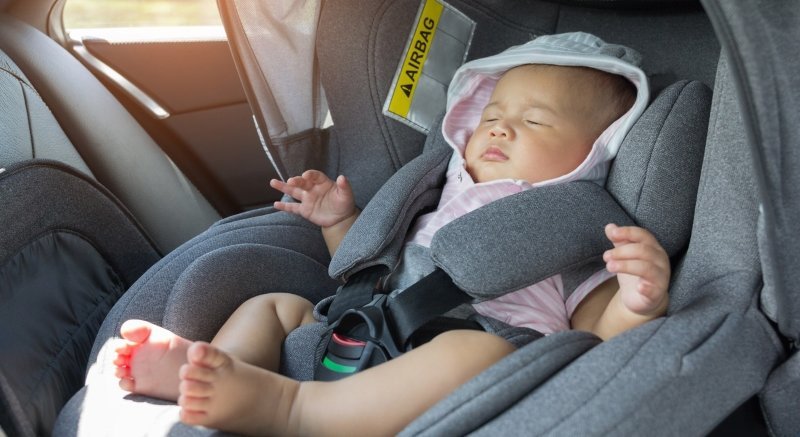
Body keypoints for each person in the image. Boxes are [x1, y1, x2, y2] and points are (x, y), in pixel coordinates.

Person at [113, 33, 669, 436]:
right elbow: (375, 271)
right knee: (275, 305)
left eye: (536, 121)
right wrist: (339, 224)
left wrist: (637, 302)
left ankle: (290, 410)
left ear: (593, 154)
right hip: (358, 328)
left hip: (449, 363)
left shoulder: (569, 230)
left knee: (473, 352)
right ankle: (217, 367)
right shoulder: (437, 196)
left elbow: (596, 328)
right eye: (493, 113)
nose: (500, 126)